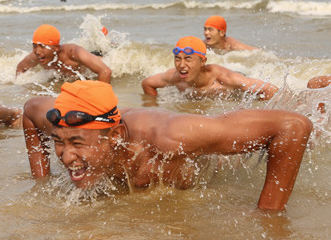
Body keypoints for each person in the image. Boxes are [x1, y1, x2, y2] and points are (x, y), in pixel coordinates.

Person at [22, 80, 313, 211]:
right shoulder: (63, 122)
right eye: (58, 142)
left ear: (116, 137)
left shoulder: (170, 138)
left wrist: (269, 215)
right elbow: (29, 110)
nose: (66, 156)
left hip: (218, 161)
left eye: (76, 143)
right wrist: (41, 179)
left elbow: (294, 126)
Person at [142, 36, 278, 100]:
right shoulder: (175, 77)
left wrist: (253, 111)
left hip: (238, 78)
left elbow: (270, 90)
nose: (181, 65)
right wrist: (154, 107)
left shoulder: (224, 79)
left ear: (202, 62)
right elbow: (147, 84)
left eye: (188, 59)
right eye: (177, 59)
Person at [16, 24, 112, 83]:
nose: (37, 51)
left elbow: (105, 71)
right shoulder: (37, 56)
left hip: (96, 57)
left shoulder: (73, 52)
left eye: (43, 46)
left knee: (103, 53)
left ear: (56, 48)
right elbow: (20, 69)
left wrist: (101, 101)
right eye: (35, 46)